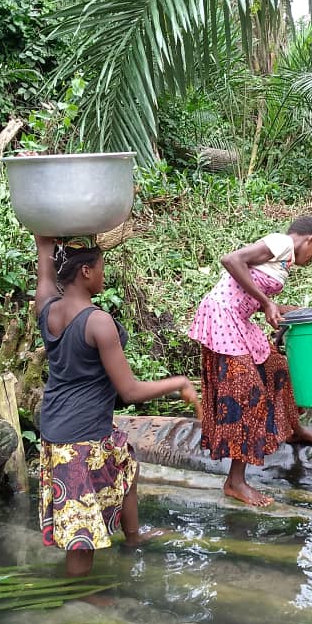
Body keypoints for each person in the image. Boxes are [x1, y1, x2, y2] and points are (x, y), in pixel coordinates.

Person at [33, 234, 200, 578]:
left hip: (62, 424)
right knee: (80, 530)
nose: (103, 275)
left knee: (126, 466)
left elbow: (45, 272)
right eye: (100, 268)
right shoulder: (97, 322)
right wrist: (179, 383)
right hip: (79, 437)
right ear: (85, 272)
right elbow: (130, 391)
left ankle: (133, 537)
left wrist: (44, 242)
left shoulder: (48, 308)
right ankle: (80, 596)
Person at [187, 216, 312, 507]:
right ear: (311, 240)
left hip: (239, 320)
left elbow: (250, 294)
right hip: (223, 317)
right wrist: (266, 303)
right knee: (247, 392)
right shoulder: (282, 242)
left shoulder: (284, 259)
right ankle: (235, 482)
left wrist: (288, 310)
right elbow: (231, 260)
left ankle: (294, 430)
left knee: (279, 370)